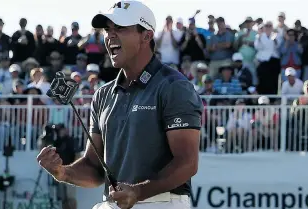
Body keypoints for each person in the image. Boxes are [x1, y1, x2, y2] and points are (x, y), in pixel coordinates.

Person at [37, 1, 203, 209]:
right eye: (108, 29)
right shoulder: (103, 94)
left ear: (147, 36)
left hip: (161, 202)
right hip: (114, 203)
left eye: (121, 28)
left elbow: (187, 162)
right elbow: (94, 168)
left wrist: (139, 191)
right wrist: (63, 172)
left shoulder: (174, 86)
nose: (110, 35)